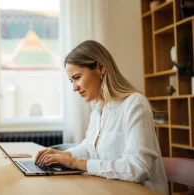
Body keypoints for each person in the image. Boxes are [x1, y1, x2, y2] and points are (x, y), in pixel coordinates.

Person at [35, 40, 169, 195]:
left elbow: (137, 168)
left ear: (100, 68)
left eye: (77, 77)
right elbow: (89, 148)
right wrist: (65, 155)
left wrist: (76, 163)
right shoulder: (98, 108)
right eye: (71, 81)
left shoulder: (134, 104)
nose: (74, 87)